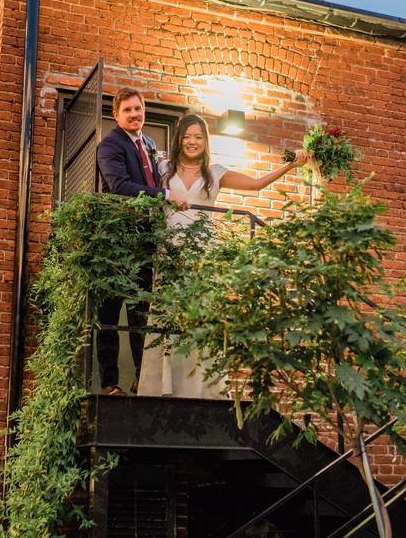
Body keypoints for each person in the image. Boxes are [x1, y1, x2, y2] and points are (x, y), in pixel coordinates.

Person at [137, 113, 307, 398]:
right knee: (169, 318)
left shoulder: (215, 173)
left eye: (198, 137)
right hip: (170, 253)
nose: (192, 142)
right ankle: (164, 387)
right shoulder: (162, 168)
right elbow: (138, 186)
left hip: (203, 254)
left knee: (202, 318)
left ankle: (205, 390)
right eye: (187, 136)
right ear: (179, 139)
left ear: (205, 142)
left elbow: (256, 184)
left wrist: (291, 165)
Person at [95, 87, 188, 396]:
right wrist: (164, 196)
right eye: (128, 110)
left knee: (140, 315)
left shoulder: (148, 143)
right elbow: (119, 186)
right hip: (116, 241)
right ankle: (110, 384)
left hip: (147, 241)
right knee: (110, 314)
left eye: (138, 108)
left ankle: (141, 380)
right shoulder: (109, 146)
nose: (135, 114)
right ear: (116, 115)